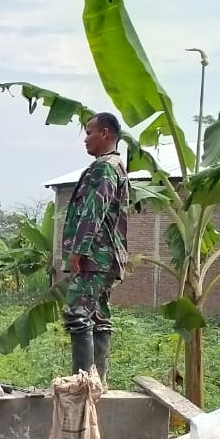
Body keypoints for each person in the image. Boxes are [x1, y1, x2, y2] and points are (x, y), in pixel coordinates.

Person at [61, 112, 130, 383]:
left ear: (105, 133)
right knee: (98, 315)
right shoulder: (115, 166)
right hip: (106, 256)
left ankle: (83, 383)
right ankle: (97, 381)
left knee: (77, 313)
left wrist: (79, 251)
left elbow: (94, 211)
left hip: (96, 255)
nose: (85, 140)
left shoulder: (105, 168)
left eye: (89, 133)